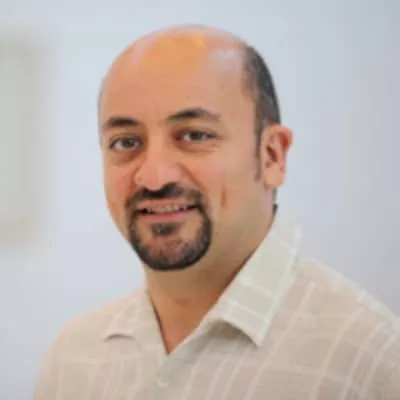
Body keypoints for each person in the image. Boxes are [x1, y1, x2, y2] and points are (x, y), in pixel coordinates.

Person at [35, 25, 400, 399]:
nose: (154, 177)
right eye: (126, 142)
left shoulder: (370, 361)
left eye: (195, 135)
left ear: (272, 156)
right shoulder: (72, 359)